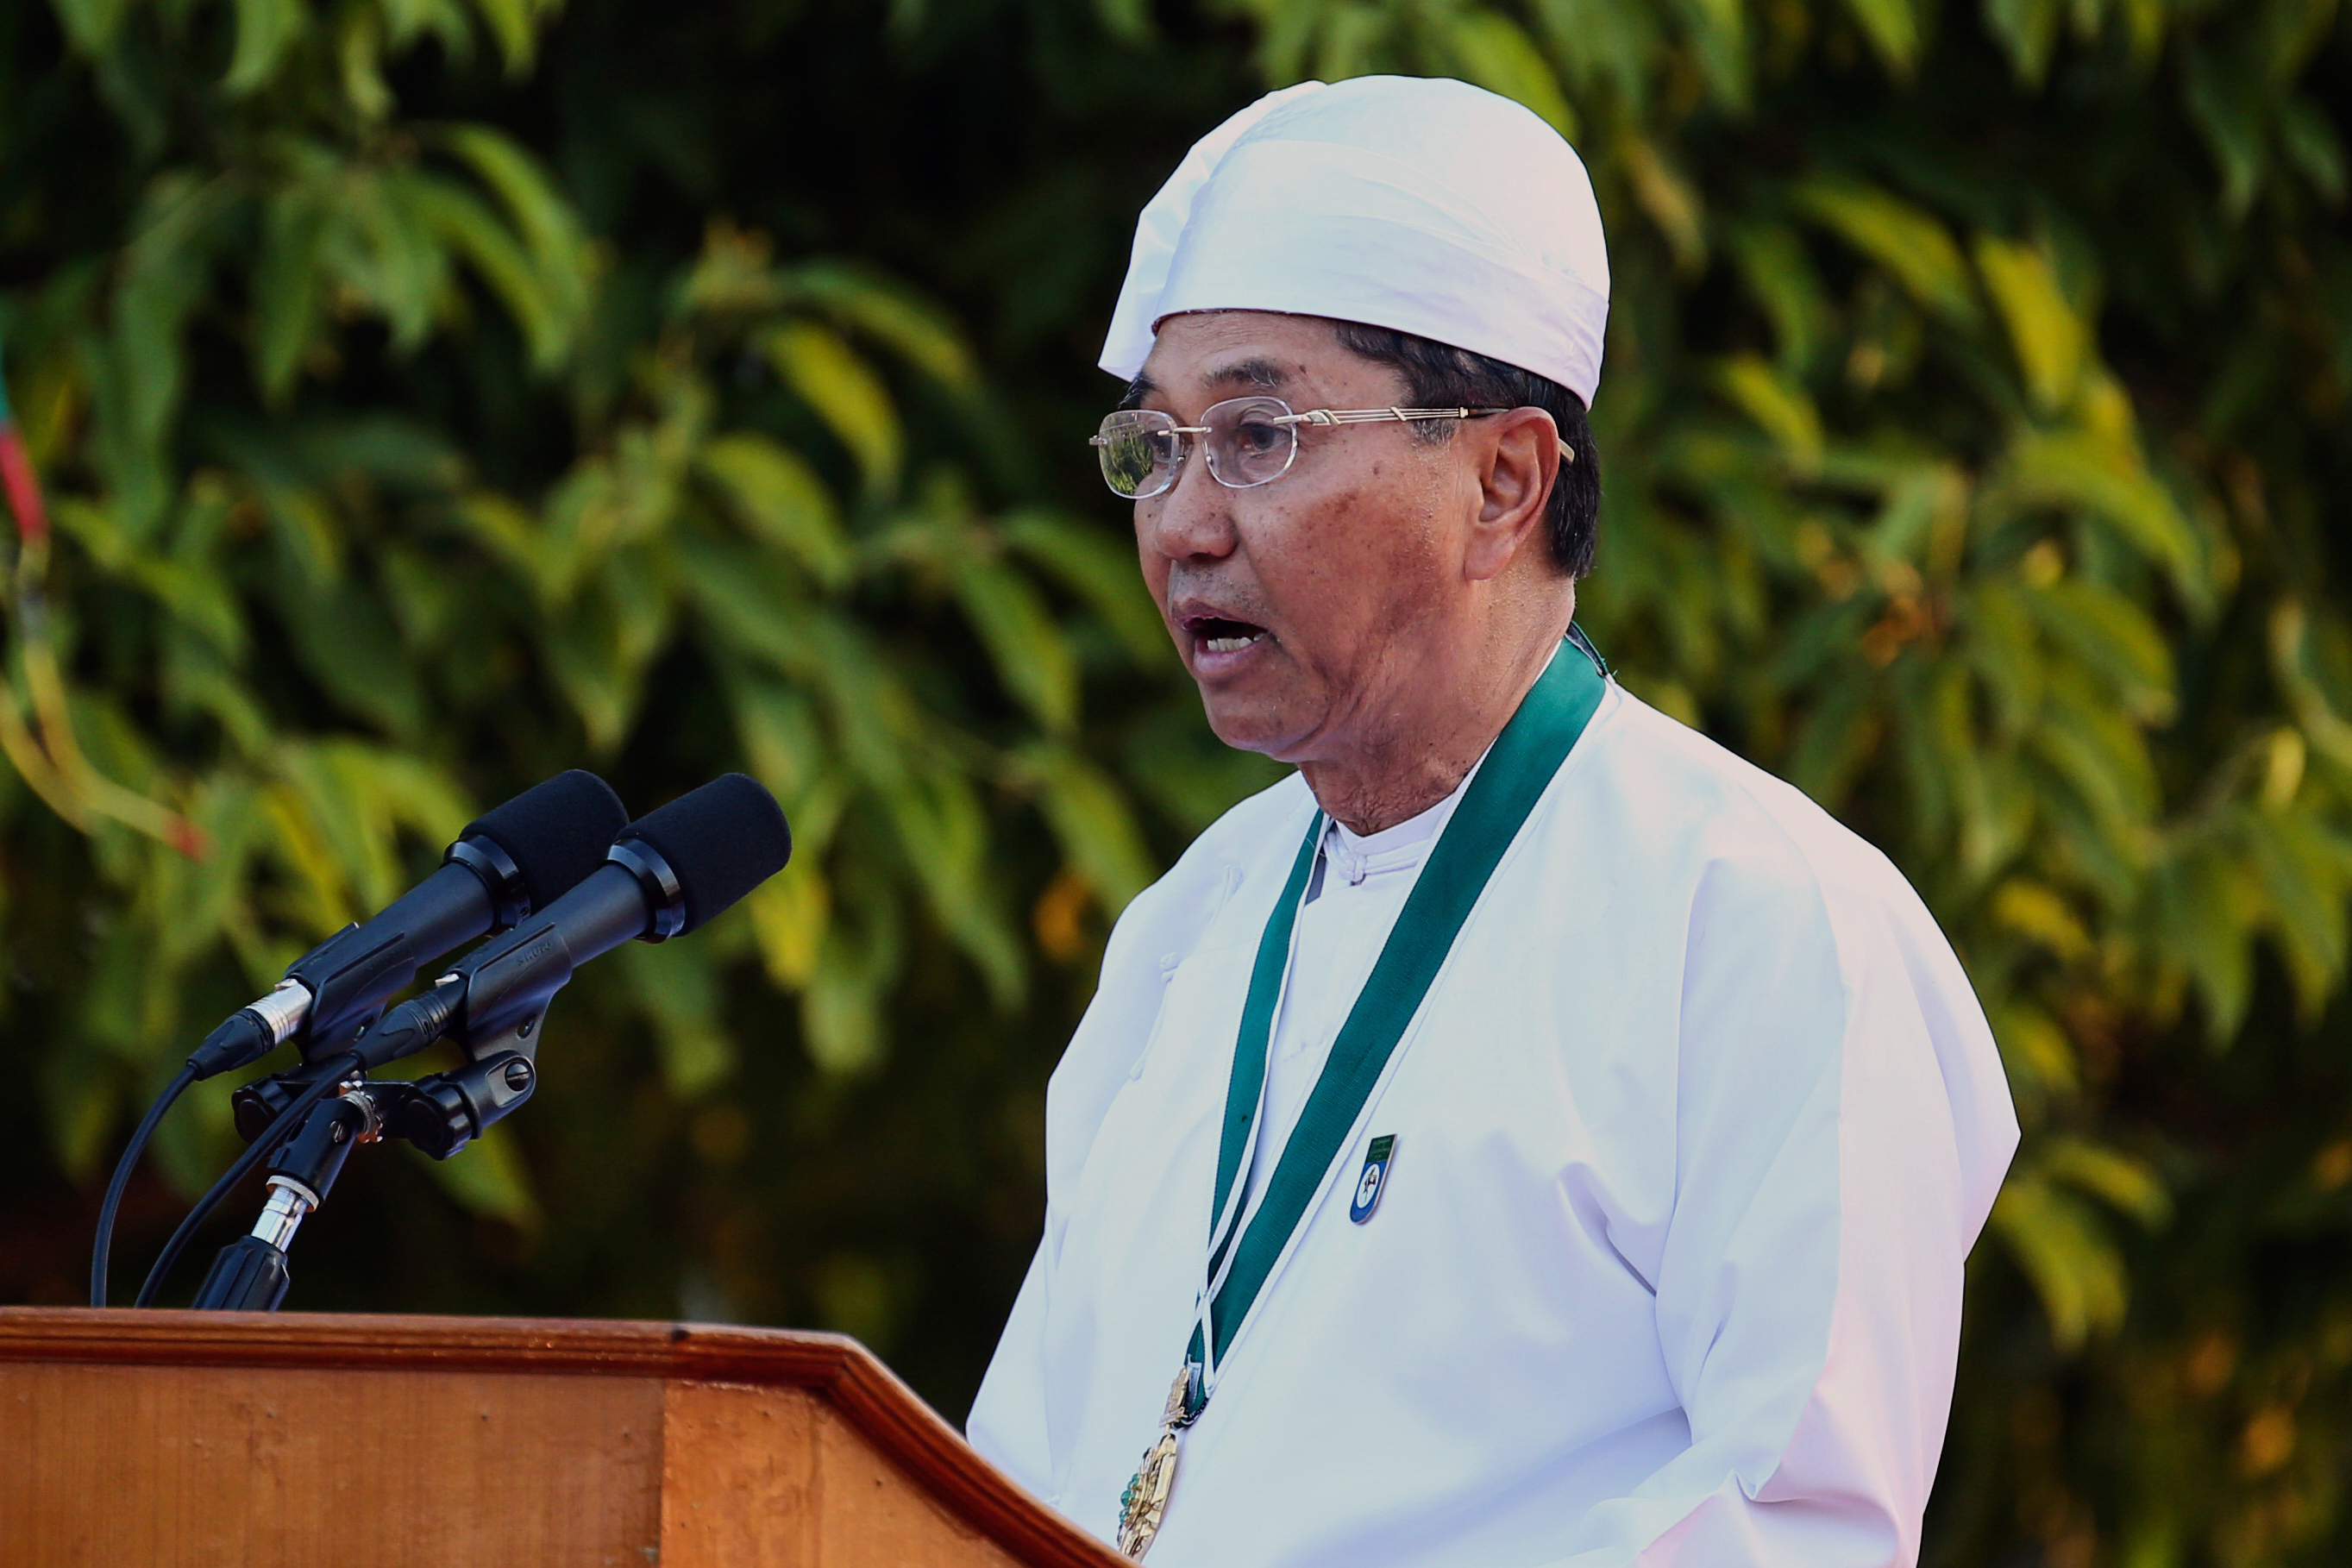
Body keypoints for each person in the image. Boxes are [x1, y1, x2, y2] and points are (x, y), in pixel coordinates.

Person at [966, 75, 2018, 1568]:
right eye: (1154, 449)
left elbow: (1798, 1527)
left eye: (1259, 435)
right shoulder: (1185, 933)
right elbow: (1000, 1488)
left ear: (1505, 479)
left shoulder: (1762, 918)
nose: (1183, 523)